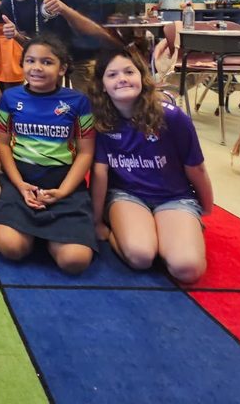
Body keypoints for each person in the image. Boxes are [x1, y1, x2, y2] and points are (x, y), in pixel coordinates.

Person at [89, 47, 213, 283]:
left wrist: (205, 206)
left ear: (142, 78)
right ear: (102, 85)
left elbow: (196, 168)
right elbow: (100, 173)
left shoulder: (173, 117)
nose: (122, 78)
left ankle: (177, 234)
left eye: (129, 71)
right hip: (127, 196)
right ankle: (136, 231)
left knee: (187, 269)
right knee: (140, 256)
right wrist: (96, 221)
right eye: (112, 75)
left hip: (174, 198)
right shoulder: (101, 121)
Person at [0, 35, 96, 275]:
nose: (37, 68)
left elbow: (85, 153)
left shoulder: (79, 102)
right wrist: (19, 185)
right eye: (30, 61)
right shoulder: (10, 98)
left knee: (74, 261)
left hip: (63, 186)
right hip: (20, 182)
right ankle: (31, 233)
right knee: (11, 248)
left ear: (63, 68)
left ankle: (53, 237)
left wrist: (63, 192)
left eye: (47, 62)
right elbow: (3, 145)